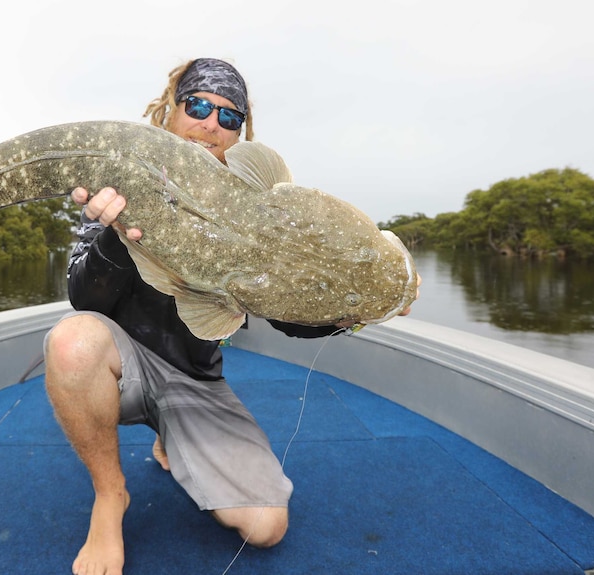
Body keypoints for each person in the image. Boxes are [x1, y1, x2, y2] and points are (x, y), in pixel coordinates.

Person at [43, 58, 417, 575]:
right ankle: (110, 496)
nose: (210, 124)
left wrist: (350, 314)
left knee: (266, 526)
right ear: (169, 111)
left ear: (241, 133)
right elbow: (83, 297)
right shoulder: (115, 180)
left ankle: (169, 434)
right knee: (72, 341)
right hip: (120, 364)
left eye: (229, 117)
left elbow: (287, 315)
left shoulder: (260, 207)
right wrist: (114, 230)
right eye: (197, 106)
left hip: (194, 379)